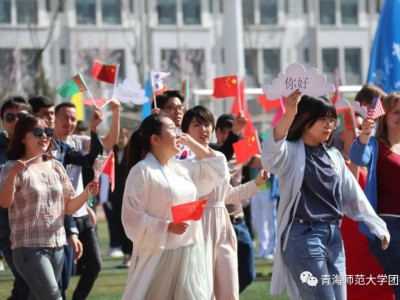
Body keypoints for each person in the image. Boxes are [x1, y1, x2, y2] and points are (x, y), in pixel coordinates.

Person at [261, 91, 390, 299]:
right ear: (304, 120)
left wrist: (376, 224)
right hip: (303, 237)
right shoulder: (291, 152)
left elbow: (352, 194)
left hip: (333, 237)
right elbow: (272, 149)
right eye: (323, 119)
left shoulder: (334, 156)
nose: (330, 124)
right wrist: (289, 114)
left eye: (332, 119)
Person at [121, 114, 225, 300]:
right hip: (160, 254)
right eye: (172, 130)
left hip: (190, 249)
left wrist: (191, 142)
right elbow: (130, 217)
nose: (178, 134)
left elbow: (217, 166)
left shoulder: (180, 168)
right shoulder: (142, 171)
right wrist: (166, 226)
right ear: (155, 139)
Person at [0, 114, 99, 300]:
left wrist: (87, 192)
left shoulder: (56, 166)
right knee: (54, 297)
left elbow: (68, 208)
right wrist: (13, 176)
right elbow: (4, 203)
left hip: (58, 245)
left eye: (48, 132)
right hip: (28, 247)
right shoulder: (11, 167)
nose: (44, 136)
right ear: (22, 137)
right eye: (38, 132)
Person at [181, 106, 268, 299]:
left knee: (230, 289)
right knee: (202, 290)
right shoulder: (182, 162)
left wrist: (256, 183)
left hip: (225, 226)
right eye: (197, 125)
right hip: (197, 228)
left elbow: (227, 195)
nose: (203, 129)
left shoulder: (218, 156)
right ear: (186, 131)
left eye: (206, 124)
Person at [29, 95, 104, 299]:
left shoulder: (61, 148)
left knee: (62, 281)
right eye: (46, 114)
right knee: (38, 287)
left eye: (52, 113)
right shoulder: (23, 152)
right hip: (33, 228)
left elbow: (91, 159)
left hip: (64, 218)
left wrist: (95, 130)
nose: (51, 118)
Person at [54, 100, 119, 300]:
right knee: (61, 274)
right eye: (64, 117)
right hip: (60, 215)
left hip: (81, 212)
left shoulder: (77, 141)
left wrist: (115, 114)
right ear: (54, 119)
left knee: (95, 266)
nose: (69, 122)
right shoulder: (45, 145)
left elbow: (107, 143)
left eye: (73, 118)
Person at [350, 92, 400, 299]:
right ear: (385, 116)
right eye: (396, 112)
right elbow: (357, 156)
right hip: (388, 229)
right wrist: (364, 134)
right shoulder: (375, 145)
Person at [214, 113, 262, 293]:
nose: (227, 135)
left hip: (238, 221)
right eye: (224, 131)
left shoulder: (240, 151)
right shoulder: (209, 152)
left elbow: (266, 162)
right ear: (217, 132)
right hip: (217, 223)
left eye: (231, 131)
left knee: (248, 273)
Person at [0, 96, 31, 299]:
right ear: (3, 121)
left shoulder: (39, 145)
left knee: (31, 285)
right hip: (6, 228)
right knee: (27, 283)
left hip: (35, 228)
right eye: (10, 116)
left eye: (21, 115)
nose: (15, 120)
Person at [108, 127, 133, 268]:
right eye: (119, 137)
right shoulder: (113, 153)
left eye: (124, 137)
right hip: (116, 196)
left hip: (128, 195)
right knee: (119, 225)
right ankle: (126, 254)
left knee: (128, 226)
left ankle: (131, 255)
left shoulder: (132, 153)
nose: (121, 140)